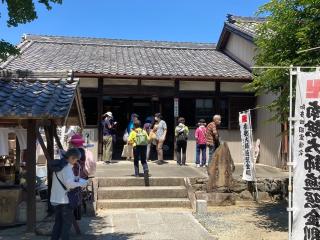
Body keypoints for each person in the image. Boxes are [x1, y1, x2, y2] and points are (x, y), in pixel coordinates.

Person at [51, 148, 88, 240]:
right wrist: (82, 183)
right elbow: (69, 184)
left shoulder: (59, 165)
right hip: (64, 200)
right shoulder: (67, 168)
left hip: (56, 199)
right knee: (66, 225)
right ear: (71, 158)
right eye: (75, 159)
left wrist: (76, 179)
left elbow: (66, 180)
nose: (76, 162)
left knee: (58, 223)